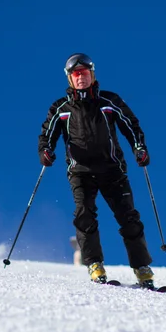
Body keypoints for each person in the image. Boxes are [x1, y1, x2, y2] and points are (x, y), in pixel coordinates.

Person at [38, 53, 156, 289]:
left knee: (128, 217)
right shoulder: (61, 108)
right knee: (84, 214)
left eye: (84, 73)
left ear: (92, 75)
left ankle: (142, 268)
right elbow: (47, 135)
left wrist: (139, 148)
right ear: (69, 79)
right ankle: (95, 265)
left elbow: (130, 124)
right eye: (75, 74)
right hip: (80, 171)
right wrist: (46, 151)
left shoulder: (108, 101)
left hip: (112, 169)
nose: (80, 78)